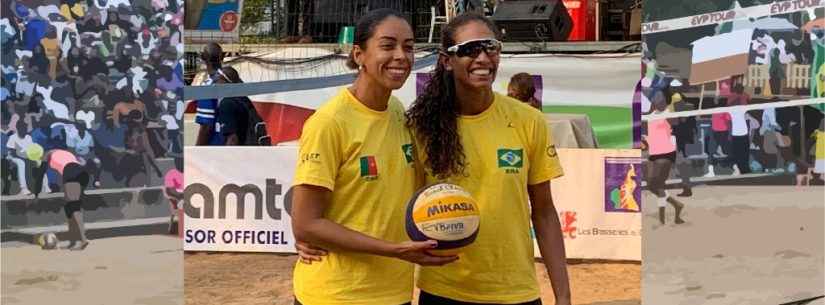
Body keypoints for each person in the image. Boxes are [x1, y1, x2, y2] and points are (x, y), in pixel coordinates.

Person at [290, 9, 456, 305]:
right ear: (358, 55)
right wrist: (394, 250)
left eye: (408, 46)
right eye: (388, 45)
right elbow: (306, 224)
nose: (401, 56)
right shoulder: (330, 122)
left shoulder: (396, 112)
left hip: (393, 293)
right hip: (336, 295)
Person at [405, 13, 570, 305]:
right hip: (444, 290)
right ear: (446, 60)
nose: (483, 57)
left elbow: (544, 212)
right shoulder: (421, 127)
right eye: (469, 49)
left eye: (490, 47)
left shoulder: (528, 120)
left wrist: (564, 297)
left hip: (515, 291)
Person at [32, 147, 91, 250]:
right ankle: (72, 241)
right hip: (83, 172)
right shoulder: (65, 153)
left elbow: (40, 175)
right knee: (69, 208)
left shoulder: (48, 154)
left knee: (74, 209)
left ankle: (83, 239)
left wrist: (36, 194)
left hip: (71, 171)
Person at [644, 91, 686, 225]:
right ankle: (676, 204)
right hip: (653, 153)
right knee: (651, 186)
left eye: (661, 100)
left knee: (658, 184)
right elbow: (647, 134)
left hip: (667, 153)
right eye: (657, 100)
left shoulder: (669, 113)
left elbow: (678, 120)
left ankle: (662, 219)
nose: (659, 102)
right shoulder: (649, 116)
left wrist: (677, 110)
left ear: (664, 101)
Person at [214, 66, 257, 145]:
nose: (215, 84)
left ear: (224, 82)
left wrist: (227, 156)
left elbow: (232, 139)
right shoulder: (243, 99)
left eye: (217, 80)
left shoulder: (227, 103)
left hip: (238, 153)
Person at [194, 42, 225, 146]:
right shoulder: (232, 77)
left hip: (216, 145)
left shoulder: (208, 85)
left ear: (203, 58)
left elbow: (206, 126)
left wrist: (197, 150)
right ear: (223, 56)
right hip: (236, 143)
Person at [668, 92, 695, 196]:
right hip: (687, 141)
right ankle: (686, 187)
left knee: (683, 165)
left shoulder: (679, 111)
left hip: (681, 142)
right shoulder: (688, 108)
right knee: (683, 165)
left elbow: (677, 125)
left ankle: (686, 188)